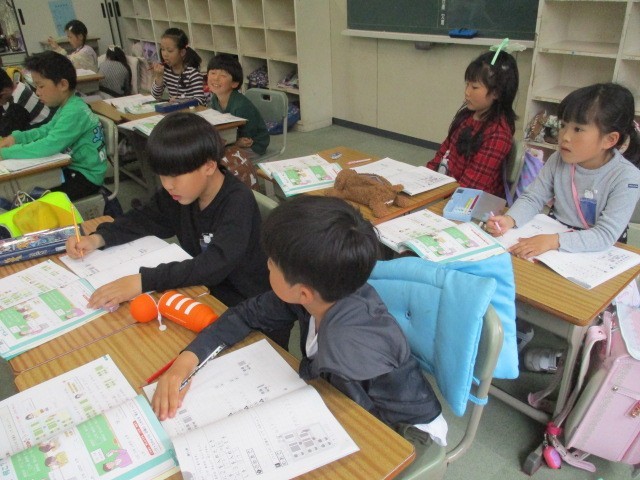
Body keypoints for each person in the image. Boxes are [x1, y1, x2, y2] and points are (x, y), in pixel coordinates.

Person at [151, 196, 446, 443]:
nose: (266, 265)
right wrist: (186, 362)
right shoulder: (320, 292)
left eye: (271, 263)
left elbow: (362, 425)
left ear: (303, 292)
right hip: (351, 401)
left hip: (405, 434)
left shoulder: (347, 349)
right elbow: (245, 315)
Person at [65, 112, 270, 309]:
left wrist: (143, 281)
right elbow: (144, 218)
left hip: (246, 303)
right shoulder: (182, 193)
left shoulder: (237, 202)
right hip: (203, 289)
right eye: (162, 176)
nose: (168, 185)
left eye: (174, 176)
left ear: (208, 166)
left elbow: (214, 265)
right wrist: (99, 238)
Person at [487, 83, 640, 258]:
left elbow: (605, 235)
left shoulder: (627, 177)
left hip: (598, 251)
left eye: (578, 129)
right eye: (563, 125)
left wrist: (553, 241)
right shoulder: (558, 159)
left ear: (610, 140)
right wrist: (510, 219)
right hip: (556, 237)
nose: (565, 136)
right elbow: (533, 197)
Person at [0, 51, 107, 200]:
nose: (37, 92)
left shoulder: (74, 111)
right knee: (29, 189)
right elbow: (47, 130)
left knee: (33, 198)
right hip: (73, 168)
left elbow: (49, 145)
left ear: (63, 85)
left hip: (85, 177)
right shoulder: (68, 106)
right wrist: (16, 138)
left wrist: (5, 153)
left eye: (41, 86)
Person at [426, 50, 519, 197]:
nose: (467, 92)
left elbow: (469, 187)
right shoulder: (466, 117)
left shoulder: (498, 134)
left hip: (470, 202)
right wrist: (423, 178)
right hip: (448, 190)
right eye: (467, 84)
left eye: (474, 87)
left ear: (496, 92)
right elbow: (442, 154)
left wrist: (436, 196)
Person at [207, 54, 270, 158]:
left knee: (215, 157)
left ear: (235, 83)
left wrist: (232, 143)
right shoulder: (214, 99)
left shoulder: (241, 105)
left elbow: (246, 140)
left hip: (253, 145)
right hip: (231, 140)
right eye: (213, 73)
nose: (216, 78)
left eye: (223, 76)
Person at [151, 28, 206, 106]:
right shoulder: (166, 71)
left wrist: (180, 101)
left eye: (170, 51)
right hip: (175, 111)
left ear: (182, 52)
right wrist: (159, 77)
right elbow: (155, 96)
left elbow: (200, 101)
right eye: (162, 49)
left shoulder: (193, 73)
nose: (165, 54)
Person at [0, 69, 30, 136]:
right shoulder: (19, 86)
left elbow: (6, 133)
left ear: (4, 92)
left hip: (39, 136)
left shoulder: (17, 103)